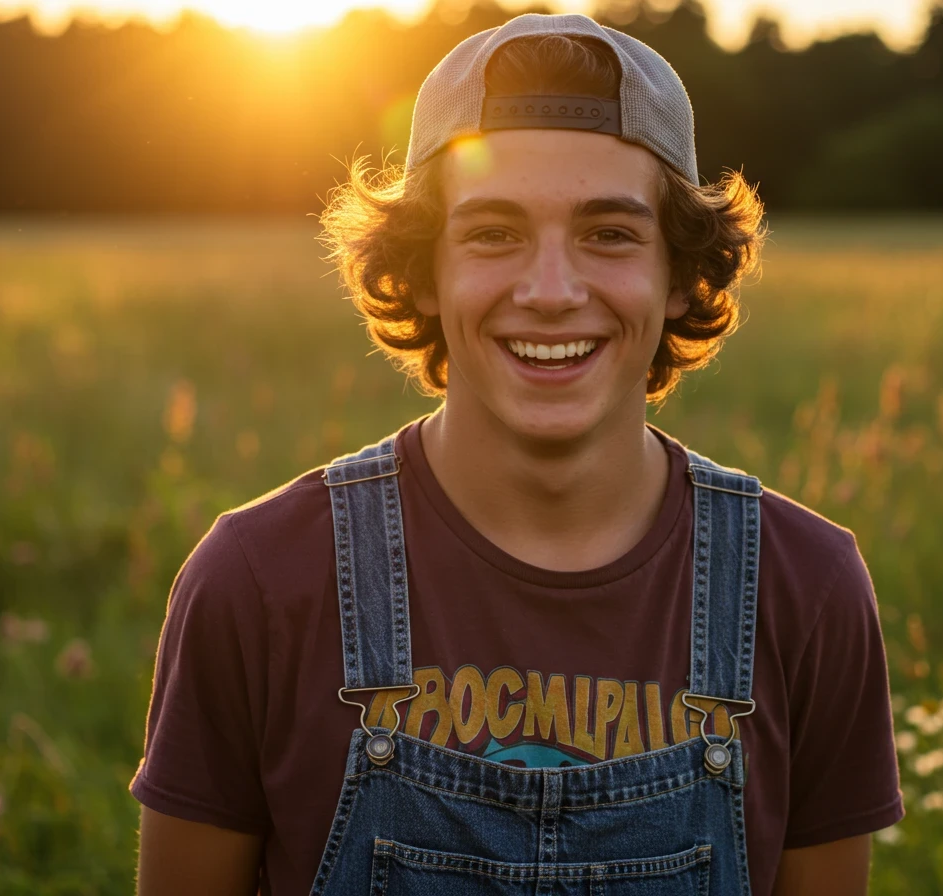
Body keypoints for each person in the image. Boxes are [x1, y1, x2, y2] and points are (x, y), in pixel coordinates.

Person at [131, 12, 904, 896]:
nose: (549, 292)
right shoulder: (260, 580)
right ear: (422, 270)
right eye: (494, 233)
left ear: (683, 274)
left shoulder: (804, 588)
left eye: (609, 234)